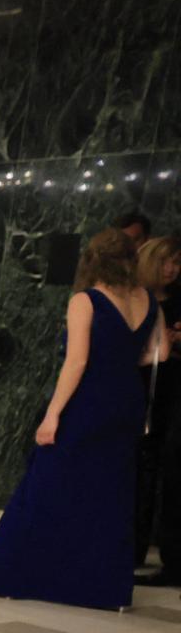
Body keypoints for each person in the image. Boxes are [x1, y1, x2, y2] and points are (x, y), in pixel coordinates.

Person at [0, 227, 167, 611]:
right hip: (126, 399)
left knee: (50, 482)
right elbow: (156, 354)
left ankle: (23, 575)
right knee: (109, 492)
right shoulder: (147, 299)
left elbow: (76, 361)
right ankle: (102, 587)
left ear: (93, 260)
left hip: (88, 400)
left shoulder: (86, 300)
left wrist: (53, 414)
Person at [133, 235, 181, 587]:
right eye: (165, 261)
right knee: (140, 470)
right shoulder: (137, 300)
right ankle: (132, 546)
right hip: (142, 392)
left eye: (176, 263)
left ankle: (171, 558)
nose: (171, 269)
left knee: (169, 470)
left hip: (172, 395)